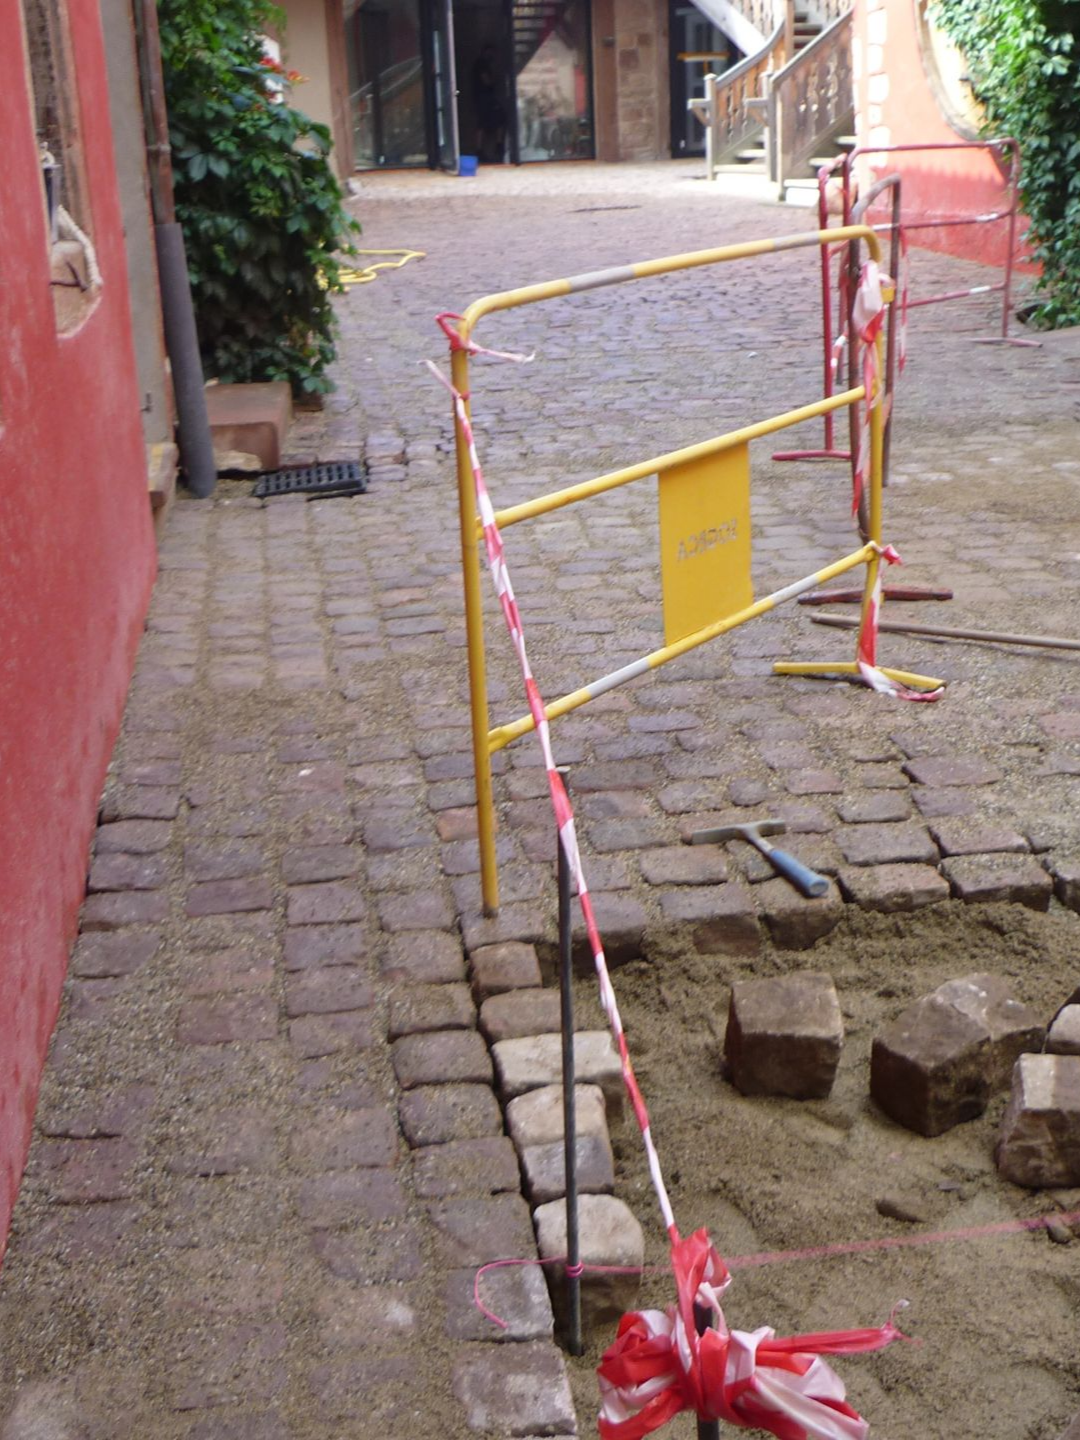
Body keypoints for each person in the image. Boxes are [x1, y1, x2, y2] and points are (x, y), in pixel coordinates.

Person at [472, 44, 506, 163]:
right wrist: (494, 81)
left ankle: (483, 148)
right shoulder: (482, 64)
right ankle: (494, 146)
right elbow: (486, 80)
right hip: (484, 98)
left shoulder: (481, 64)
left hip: (482, 98)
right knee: (495, 119)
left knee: (486, 121)